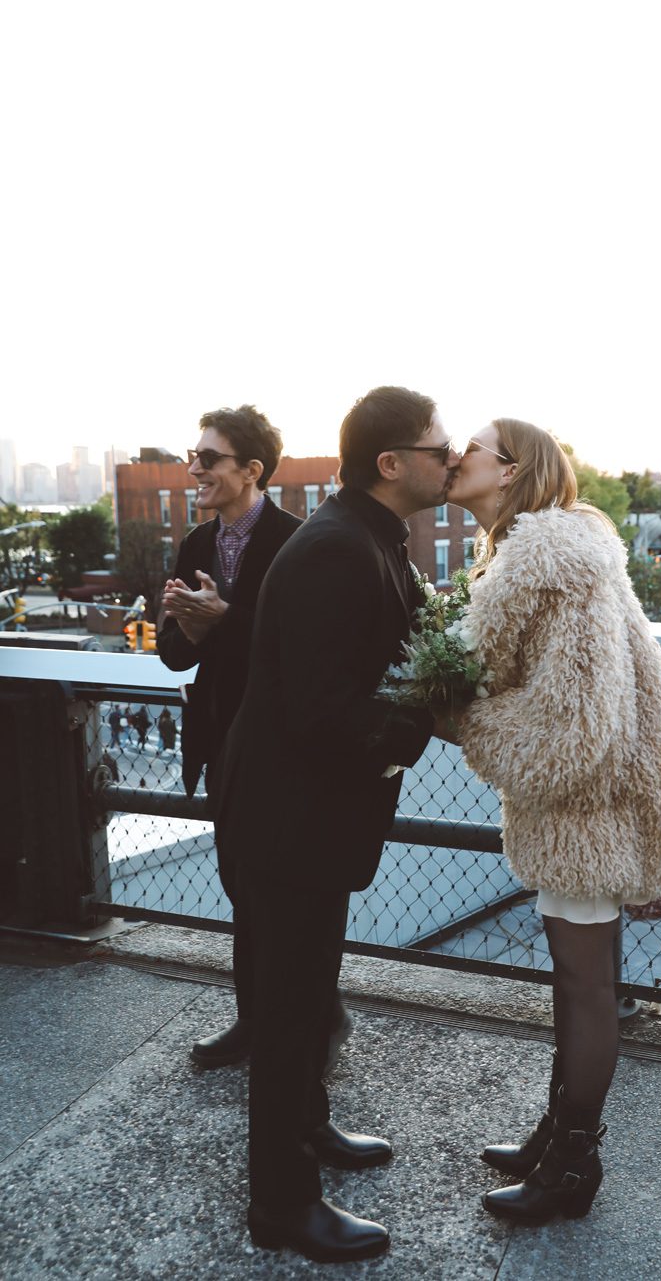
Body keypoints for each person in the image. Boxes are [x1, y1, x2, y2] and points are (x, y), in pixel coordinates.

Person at [214, 386, 457, 1262]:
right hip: (288, 824)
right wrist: (423, 723)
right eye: (441, 447)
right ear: (392, 463)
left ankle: (310, 1128)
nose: (452, 458)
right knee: (283, 1015)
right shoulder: (336, 550)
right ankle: (282, 1204)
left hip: (308, 820)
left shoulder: (371, 537)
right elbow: (322, 710)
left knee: (310, 991)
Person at [444, 420, 661, 1225]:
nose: (454, 458)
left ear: (511, 469)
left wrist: (459, 721)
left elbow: (575, 723)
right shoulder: (540, 556)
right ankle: (556, 1134)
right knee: (577, 982)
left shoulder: (554, 566)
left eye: (470, 449)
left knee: (586, 988)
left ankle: (572, 1169)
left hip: (594, 812)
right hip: (590, 807)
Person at [158, 405, 304, 1069]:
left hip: (282, 751)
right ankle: (254, 1024)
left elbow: (302, 649)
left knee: (286, 897)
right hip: (222, 747)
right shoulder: (194, 545)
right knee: (239, 886)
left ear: (251, 469)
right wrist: (188, 629)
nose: (194, 470)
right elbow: (174, 656)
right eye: (194, 457)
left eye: (208, 459)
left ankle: (308, 1026)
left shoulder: (299, 543)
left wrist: (224, 618)